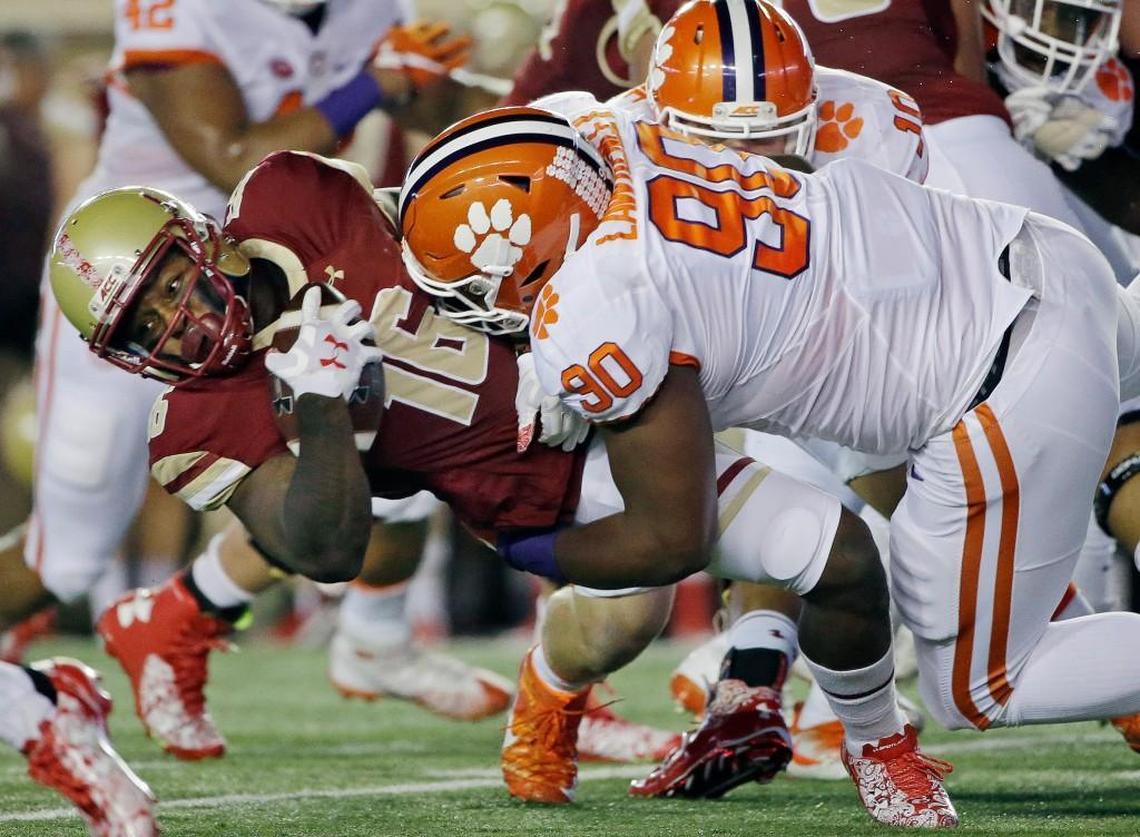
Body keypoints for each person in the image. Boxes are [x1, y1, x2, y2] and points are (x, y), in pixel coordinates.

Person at [48, 148, 898, 813]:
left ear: (201, 242)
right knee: (628, 615)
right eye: (144, 323)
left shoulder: (291, 197)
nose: (177, 322)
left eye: (166, 282)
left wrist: (550, 343)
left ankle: (876, 744)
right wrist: (318, 407)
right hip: (534, 492)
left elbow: (451, 234)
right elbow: (328, 548)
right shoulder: (197, 426)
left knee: (834, 537)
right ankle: (554, 691)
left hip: (609, 378)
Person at [397, 91, 1140, 826]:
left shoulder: (599, 307)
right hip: (1025, 251)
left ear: (525, 261)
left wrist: (518, 540)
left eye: (465, 292)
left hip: (1005, 374)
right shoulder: (600, 132)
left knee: (982, 686)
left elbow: (674, 537)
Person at [0, 0, 478, 760]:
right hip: (134, 300)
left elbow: (444, 110)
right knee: (68, 555)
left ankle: (374, 637)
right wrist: (376, 81)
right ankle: (176, 620)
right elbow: (231, 153)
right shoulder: (181, 12)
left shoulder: (377, 9)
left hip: (264, 272)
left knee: (415, 437)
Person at [0, 657, 157, 836]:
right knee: (130, 817)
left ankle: (34, 692)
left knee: (130, 818)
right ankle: (30, 690)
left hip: (44, 704)